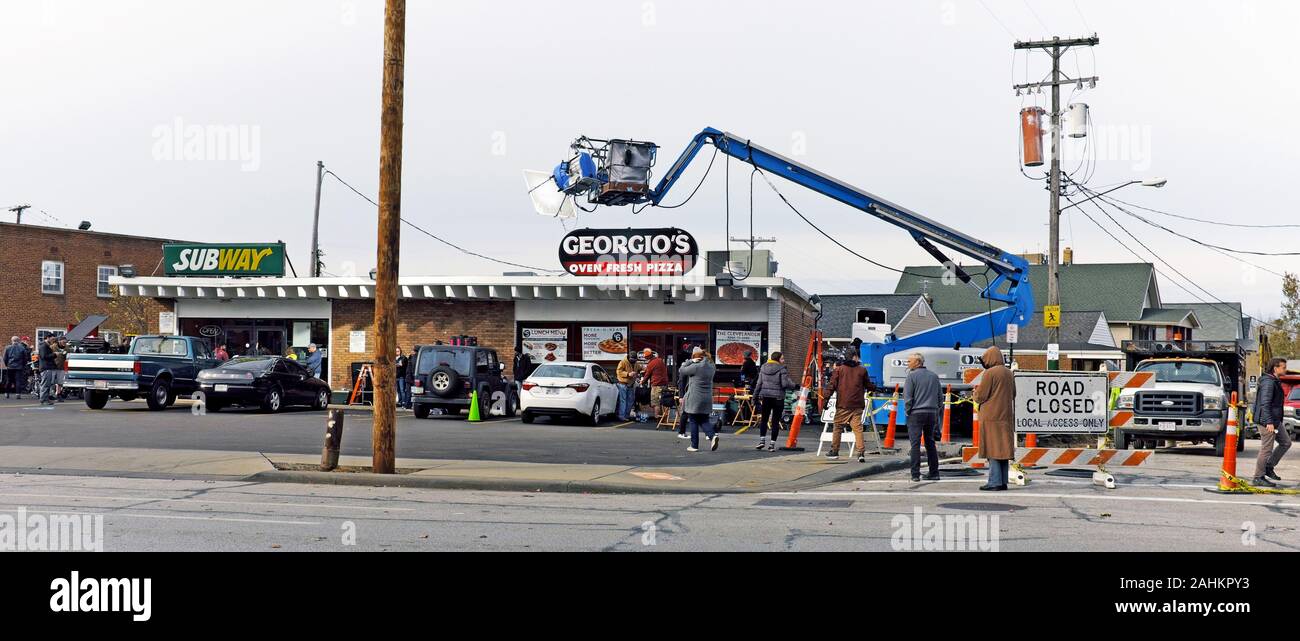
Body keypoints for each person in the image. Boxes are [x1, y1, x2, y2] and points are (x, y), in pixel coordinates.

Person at [971, 346, 1014, 491]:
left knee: (993, 449)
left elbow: (981, 395)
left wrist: (975, 393)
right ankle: (1003, 481)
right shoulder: (1008, 372)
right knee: (1003, 449)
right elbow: (1013, 393)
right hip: (1005, 416)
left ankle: (994, 482)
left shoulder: (989, 373)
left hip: (991, 417)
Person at [903, 352, 942, 480]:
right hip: (931, 413)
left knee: (915, 444)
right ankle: (934, 473)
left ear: (918, 362)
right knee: (930, 443)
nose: (907, 363)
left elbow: (908, 398)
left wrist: (908, 411)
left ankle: (915, 474)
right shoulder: (934, 376)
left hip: (916, 413)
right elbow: (940, 399)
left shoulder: (911, 377)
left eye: (909, 361)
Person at [1253, 358, 1292, 487]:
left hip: (1275, 421)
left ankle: (1269, 467)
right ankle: (1258, 477)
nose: (1285, 369)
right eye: (1283, 367)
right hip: (1267, 421)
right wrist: (1269, 421)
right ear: (1275, 368)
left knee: (1286, 442)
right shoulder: (1269, 382)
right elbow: (1265, 403)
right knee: (1266, 449)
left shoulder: (1274, 381)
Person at [827, 351, 871, 462]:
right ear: (854, 357)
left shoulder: (839, 370)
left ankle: (834, 451)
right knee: (858, 429)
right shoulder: (862, 370)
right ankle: (860, 453)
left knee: (837, 427)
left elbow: (831, 386)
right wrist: (875, 388)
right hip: (857, 405)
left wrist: (824, 401)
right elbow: (868, 385)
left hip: (843, 404)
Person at [752, 351, 797, 452]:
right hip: (778, 398)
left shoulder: (763, 368)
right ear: (778, 359)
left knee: (764, 419)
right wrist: (795, 385)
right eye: (782, 358)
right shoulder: (782, 369)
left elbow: (758, 384)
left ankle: (762, 441)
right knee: (775, 422)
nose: (783, 360)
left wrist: (754, 397)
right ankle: (772, 445)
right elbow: (785, 384)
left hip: (766, 397)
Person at [678, 347, 719, 452]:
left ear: (695, 357)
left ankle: (694, 445)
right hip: (707, 398)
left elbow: (681, 370)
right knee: (704, 419)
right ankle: (712, 436)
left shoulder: (696, 366)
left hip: (695, 398)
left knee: (693, 421)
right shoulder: (712, 366)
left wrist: (690, 361)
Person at [643, 349, 670, 420]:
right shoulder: (660, 360)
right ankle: (664, 417)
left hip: (656, 385)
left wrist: (642, 382)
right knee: (664, 401)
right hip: (664, 384)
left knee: (656, 402)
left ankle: (657, 417)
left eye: (645, 357)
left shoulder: (651, 363)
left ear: (648, 357)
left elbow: (647, 375)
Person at [615, 352, 639, 421]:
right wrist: (628, 374)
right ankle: (622, 416)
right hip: (622, 384)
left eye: (634, 360)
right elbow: (618, 372)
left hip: (630, 385)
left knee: (630, 401)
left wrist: (643, 370)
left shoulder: (636, 363)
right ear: (629, 358)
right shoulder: (623, 362)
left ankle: (626, 415)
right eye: (632, 360)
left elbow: (640, 367)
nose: (633, 361)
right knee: (623, 400)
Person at [37, 336, 59, 406]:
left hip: (46, 367)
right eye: (52, 339)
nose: (53, 340)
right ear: (48, 338)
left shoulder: (44, 345)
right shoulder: (44, 346)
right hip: (46, 367)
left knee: (47, 384)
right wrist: (55, 354)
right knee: (45, 384)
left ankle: (45, 399)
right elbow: (44, 356)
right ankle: (43, 399)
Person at [54, 337, 69, 402]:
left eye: (65, 342)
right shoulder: (53, 347)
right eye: (63, 342)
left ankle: (58, 394)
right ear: (59, 341)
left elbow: (68, 356)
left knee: (60, 382)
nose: (64, 343)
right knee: (51, 381)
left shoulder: (67, 348)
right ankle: (49, 395)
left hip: (62, 367)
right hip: (53, 366)